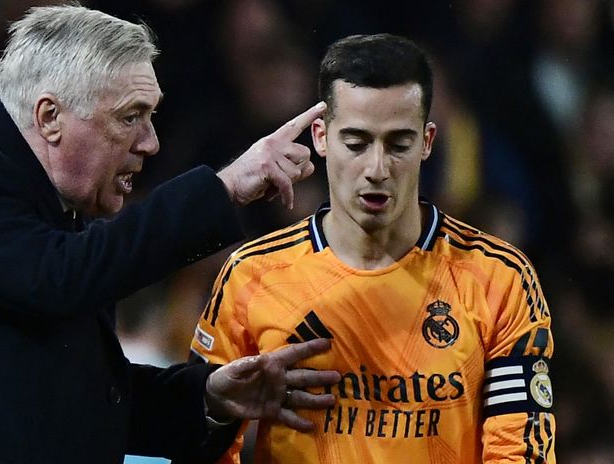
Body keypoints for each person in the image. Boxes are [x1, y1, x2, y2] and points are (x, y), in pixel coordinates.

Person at [0, 4, 342, 463]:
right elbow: (63, 277)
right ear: (50, 117)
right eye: (131, 116)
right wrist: (224, 188)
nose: (150, 143)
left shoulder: (59, 213)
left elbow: (77, 394)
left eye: (152, 117)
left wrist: (210, 396)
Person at [188, 33, 556, 463]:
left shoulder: (499, 279)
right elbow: (197, 442)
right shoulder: (253, 275)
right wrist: (213, 418)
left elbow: (520, 453)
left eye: (398, 144)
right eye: (357, 143)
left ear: (427, 142)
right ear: (321, 138)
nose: (377, 169)